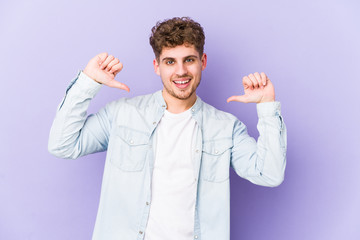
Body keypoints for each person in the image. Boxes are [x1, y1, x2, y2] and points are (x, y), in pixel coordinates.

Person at [48, 17, 287, 240]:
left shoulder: (225, 128)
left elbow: (270, 174)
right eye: (170, 61)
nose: (180, 71)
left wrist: (266, 107)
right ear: (157, 65)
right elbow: (63, 145)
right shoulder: (121, 115)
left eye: (189, 60)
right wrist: (88, 82)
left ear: (202, 62)